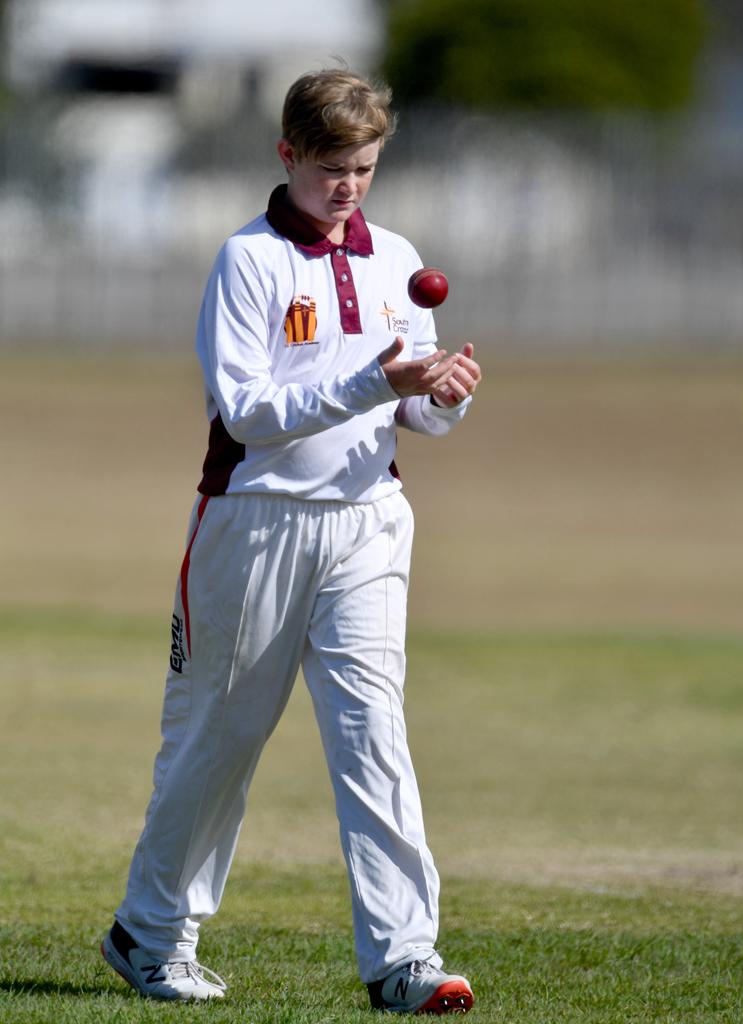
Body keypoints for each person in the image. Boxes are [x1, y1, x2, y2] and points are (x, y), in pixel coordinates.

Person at [101, 67, 481, 1015]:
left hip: (368, 522)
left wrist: (443, 398)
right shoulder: (249, 261)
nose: (347, 185)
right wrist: (369, 385)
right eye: (329, 168)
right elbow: (247, 409)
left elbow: (410, 418)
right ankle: (150, 935)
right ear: (288, 154)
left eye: (362, 167)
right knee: (218, 740)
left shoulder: (398, 259)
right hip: (255, 520)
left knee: (374, 737)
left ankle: (405, 961)